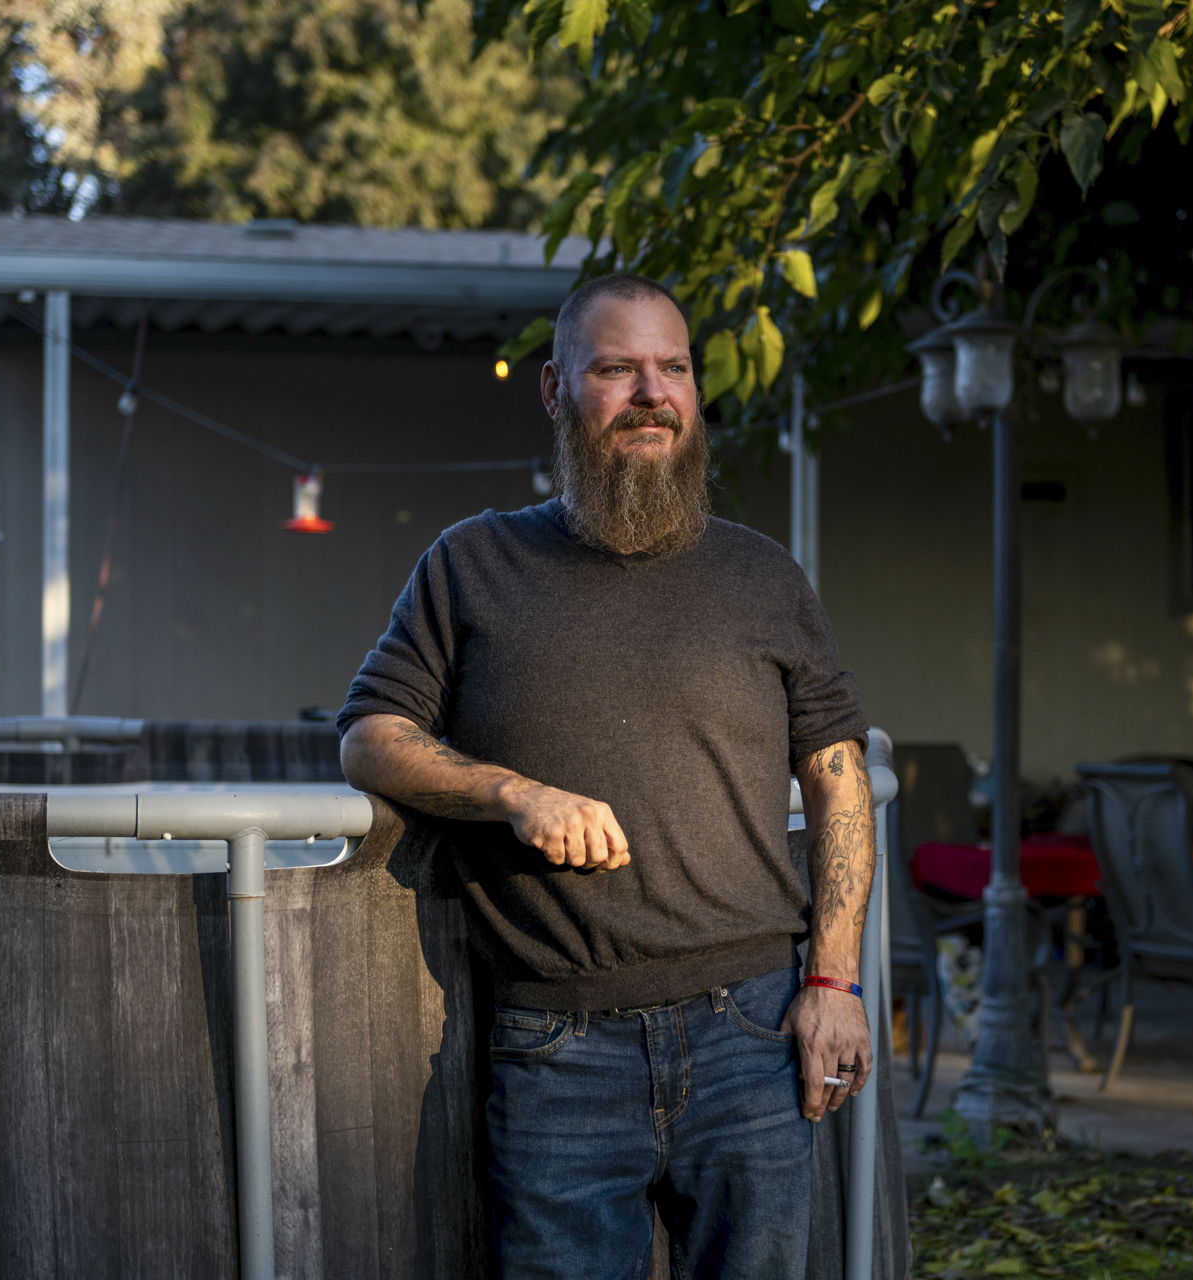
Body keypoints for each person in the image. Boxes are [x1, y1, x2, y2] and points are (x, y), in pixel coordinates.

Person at [336, 273, 876, 1280]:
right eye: (616, 367)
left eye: (672, 367)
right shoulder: (471, 563)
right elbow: (369, 735)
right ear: (554, 388)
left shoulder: (765, 576)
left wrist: (835, 981)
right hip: (554, 1047)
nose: (650, 391)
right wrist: (514, 791)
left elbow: (841, 779)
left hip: (751, 1034)